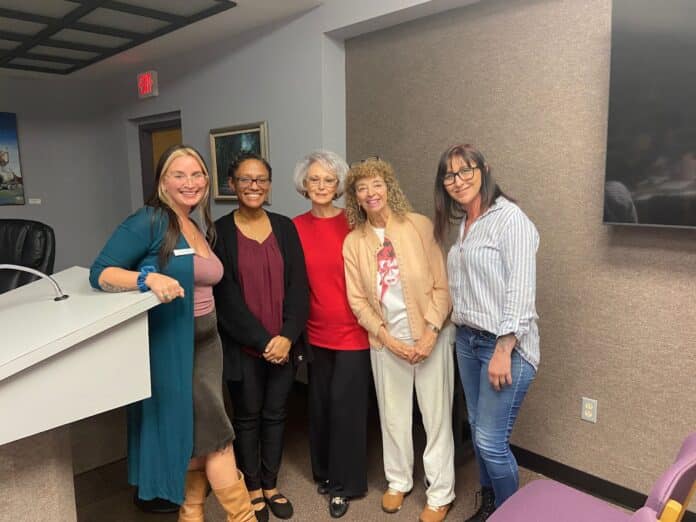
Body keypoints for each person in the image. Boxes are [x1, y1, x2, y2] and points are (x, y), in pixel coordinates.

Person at [89, 144, 256, 522]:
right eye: (178, 175)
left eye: (196, 174)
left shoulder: (195, 223)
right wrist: (147, 278)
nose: (189, 182)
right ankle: (242, 516)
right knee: (218, 437)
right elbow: (100, 272)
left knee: (197, 435)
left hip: (208, 343)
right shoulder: (149, 220)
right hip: (174, 345)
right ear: (163, 181)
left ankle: (191, 513)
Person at [342, 157, 455, 522]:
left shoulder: (419, 226)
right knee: (393, 417)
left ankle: (440, 494)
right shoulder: (353, 242)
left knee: (436, 418)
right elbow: (357, 300)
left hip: (430, 336)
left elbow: (443, 284)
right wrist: (387, 338)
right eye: (362, 188)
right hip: (385, 341)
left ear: (389, 187)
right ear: (355, 197)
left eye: (377, 184)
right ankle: (398, 481)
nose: (371, 193)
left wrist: (430, 333)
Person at [433, 143, 539, 521]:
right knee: (479, 433)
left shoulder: (511, 219)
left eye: (466, 170)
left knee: (490, 442)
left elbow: (521, 291)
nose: (458, 180)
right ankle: (491, 502)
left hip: (503, 344)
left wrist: (503, 348)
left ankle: (512, 514)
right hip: (467, 340)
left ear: (485, 169)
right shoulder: (465, 224)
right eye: (450, 174)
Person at [213, 151, 309, 522]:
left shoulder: (285, 227)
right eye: (246, 180)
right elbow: (226, 297)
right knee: (247, 418)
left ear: (269, 185)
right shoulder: (218, 232)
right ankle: (251, 487)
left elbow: (300, 288)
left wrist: (286, 336)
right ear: (232, 185)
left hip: (284, 346)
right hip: (245, 348)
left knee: (276, 415)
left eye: (261, 180)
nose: (254, 186)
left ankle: (271, 484)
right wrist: (263, 341)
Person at [292, 151, 371, 518]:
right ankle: (324, 473)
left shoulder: (355, 223)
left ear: (339, 186)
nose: (321, 186)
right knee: (320, 405)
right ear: (304, 185)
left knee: (347, 409)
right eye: (314, 180)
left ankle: (346, 485)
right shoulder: (293, 227)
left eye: (328, 180)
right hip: (314, 331)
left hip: (354, 331)